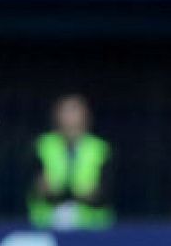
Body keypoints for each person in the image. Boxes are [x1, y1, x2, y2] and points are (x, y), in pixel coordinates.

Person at [27, 94, 114, 230]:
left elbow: (102, 193)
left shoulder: (100, 148)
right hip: (48, 226)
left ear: (86, 115)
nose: (70, 118)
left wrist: (66, 192)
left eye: (75, 111)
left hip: (91, 228)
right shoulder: (42, 145)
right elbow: (39, 187)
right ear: (56, 115)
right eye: (66, 111)